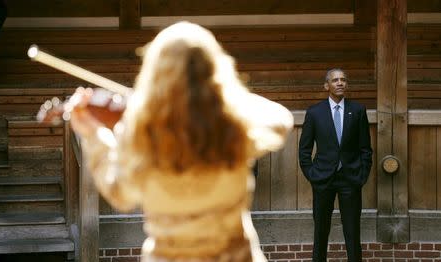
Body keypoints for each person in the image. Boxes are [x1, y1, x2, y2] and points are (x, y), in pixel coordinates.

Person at [70, 21, 293, 262]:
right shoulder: (236, 127)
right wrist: (225, 97)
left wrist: (94, 135)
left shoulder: (139, 133)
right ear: (214, 71)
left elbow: (120, 194)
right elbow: (282, 120)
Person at [298, 69, 372, 261]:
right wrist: (312, 175)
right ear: (326, 86)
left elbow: (366, 148)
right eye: (335, 80)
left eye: (343, 80)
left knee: (352, 231)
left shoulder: (357, 110)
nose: (340, 83)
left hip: (351, 179)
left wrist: (361, 175)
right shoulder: (315, 112)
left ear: (346, 85)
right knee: (321, 231)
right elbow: (304, 150)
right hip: (323, 180)